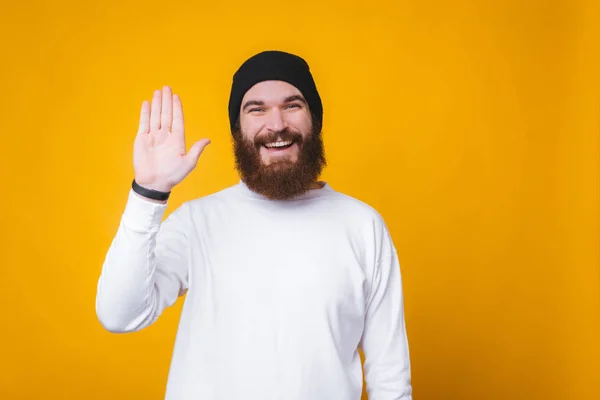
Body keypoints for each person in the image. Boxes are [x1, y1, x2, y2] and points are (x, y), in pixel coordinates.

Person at [95, 50, 412, 400]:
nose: (276, 124)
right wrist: (149, 193)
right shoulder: (198, 222)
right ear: (238, 129)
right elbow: (119, 314)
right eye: (256, 109)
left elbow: (389, 376)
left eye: (292, 105)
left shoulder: (362, 226)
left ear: (315, 120)